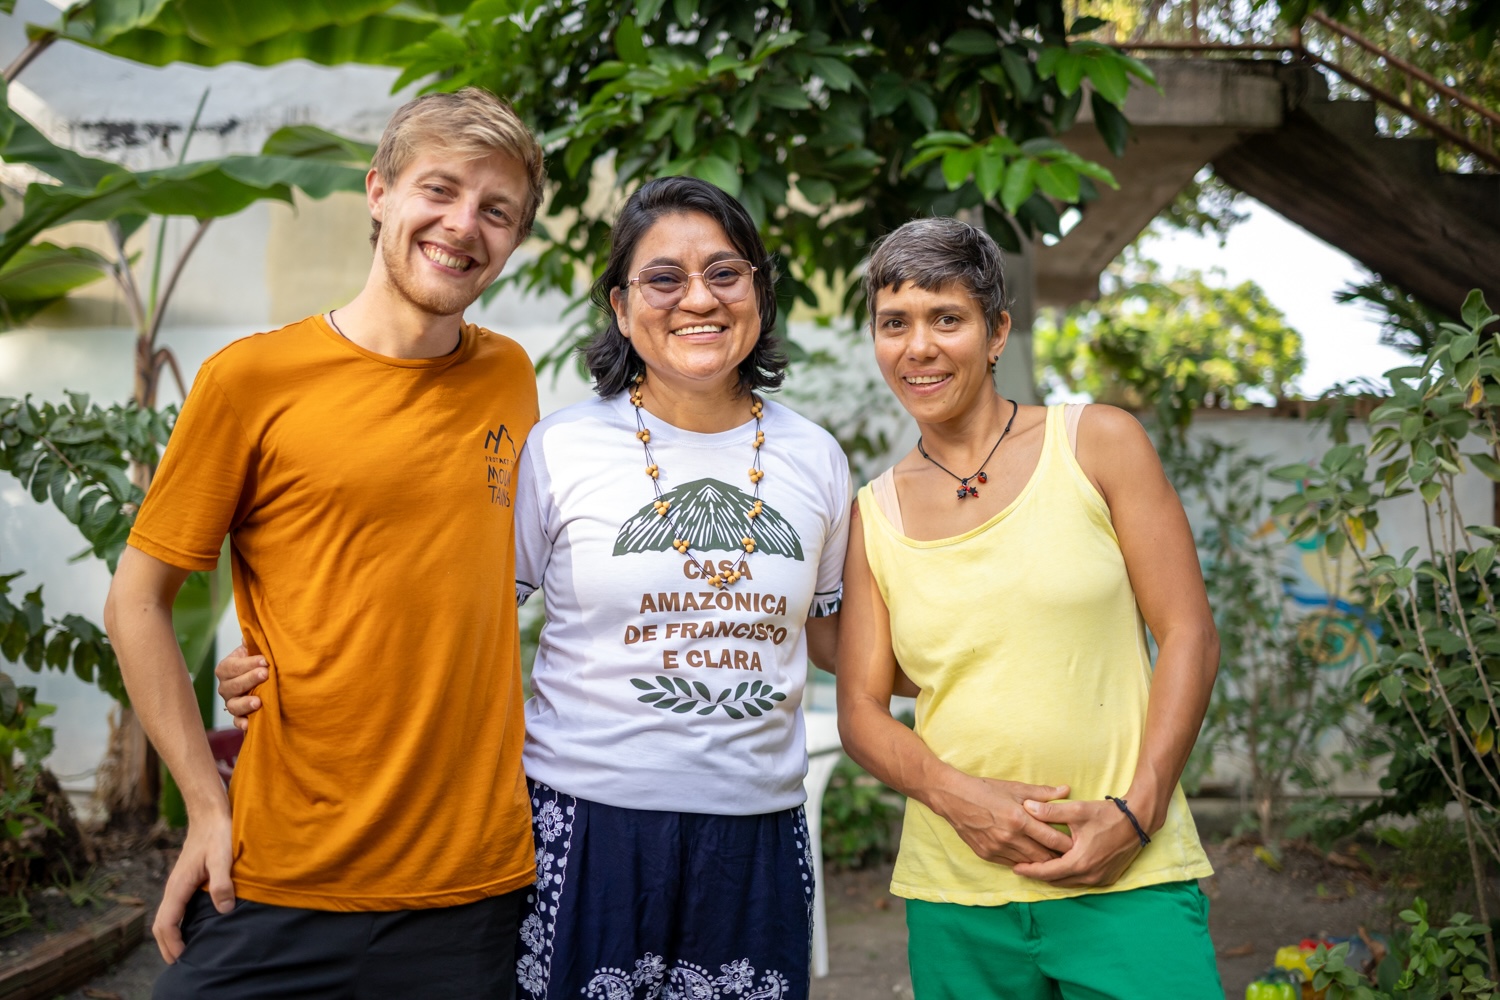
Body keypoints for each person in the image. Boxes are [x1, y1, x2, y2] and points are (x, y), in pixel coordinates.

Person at [216, 175, 852, 1000]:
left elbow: (838, 641)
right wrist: (286, 659)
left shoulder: (816, 458)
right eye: (664, 278)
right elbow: (459, 618)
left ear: (760, 293)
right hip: (583, 828)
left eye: (726, 273)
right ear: (622, 308)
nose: (699, 298)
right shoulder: (558, 449)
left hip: (758, 837)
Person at [102, 87, 546, 1000]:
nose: (464, 225)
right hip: (279, 873)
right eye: (440, 190)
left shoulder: (512, 378)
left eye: (495, 211)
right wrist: (202, 804)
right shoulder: (250, 379)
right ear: (378, 191)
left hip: (467, 886)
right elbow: (135, 601)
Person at [836, 217, 1223, 999]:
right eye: (894, 324)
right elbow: (861, 711)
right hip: (958, 896)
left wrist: (1136, 813)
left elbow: (1189, 635)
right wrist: (959, 799)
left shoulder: (1098, 444)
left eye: (947, 318)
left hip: (1128, 877)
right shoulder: (871, 515)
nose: (919, 347)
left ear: (996, 331)